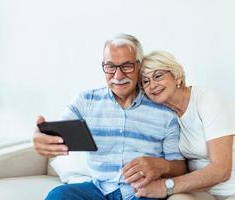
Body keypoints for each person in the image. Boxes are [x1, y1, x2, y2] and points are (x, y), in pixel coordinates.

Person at [33, 35, 187, 200]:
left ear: (139, 66)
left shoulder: (163, 109)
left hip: (142, 193)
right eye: (110, 66)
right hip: (98, 190)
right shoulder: (86, 101)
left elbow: (180, 167)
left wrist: (161, 166)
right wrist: (41, 135)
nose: (118, 75)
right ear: (103, 67)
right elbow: (55, 134)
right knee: (59, 195)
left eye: (127, 66)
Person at [123, 50, 235, 200]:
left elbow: (221, 170)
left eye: (158, 76)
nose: (152, 85)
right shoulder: (169, 116)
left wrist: (164, 186)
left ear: (177, 76)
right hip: (206, 192)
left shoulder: (209, 99)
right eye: (145, 82)